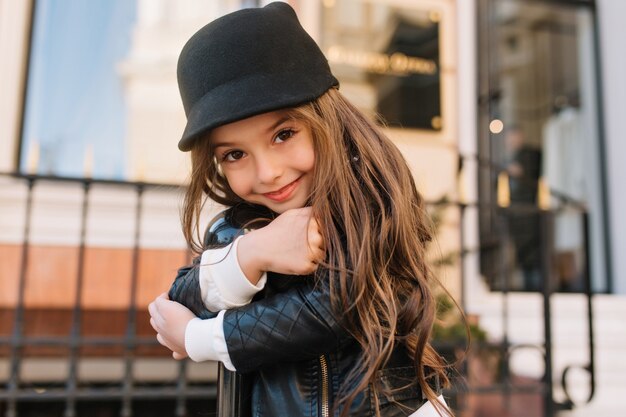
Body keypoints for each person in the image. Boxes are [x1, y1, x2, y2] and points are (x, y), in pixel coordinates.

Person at [148, 3, 453, 416]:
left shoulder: (367, 200)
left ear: (324, 119)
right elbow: (183, 295)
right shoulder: (241, 225)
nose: (269, 173)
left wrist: (199, 339)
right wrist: (253, 253)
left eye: (283, 134)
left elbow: (337, 309)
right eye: (235, 154)